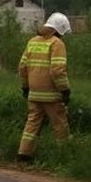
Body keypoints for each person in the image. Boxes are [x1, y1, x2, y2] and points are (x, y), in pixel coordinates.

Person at [17, 12, 72, 162]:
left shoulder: (32, 41)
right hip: (52, 96)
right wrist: (65, 90)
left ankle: (23, 154)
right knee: (60, 125)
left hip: (33, 94)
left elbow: (22, 66)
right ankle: (65, 156)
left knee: (32, 124)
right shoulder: (57, 44)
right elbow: (57, 70)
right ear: (58, 30)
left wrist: (25, 87)